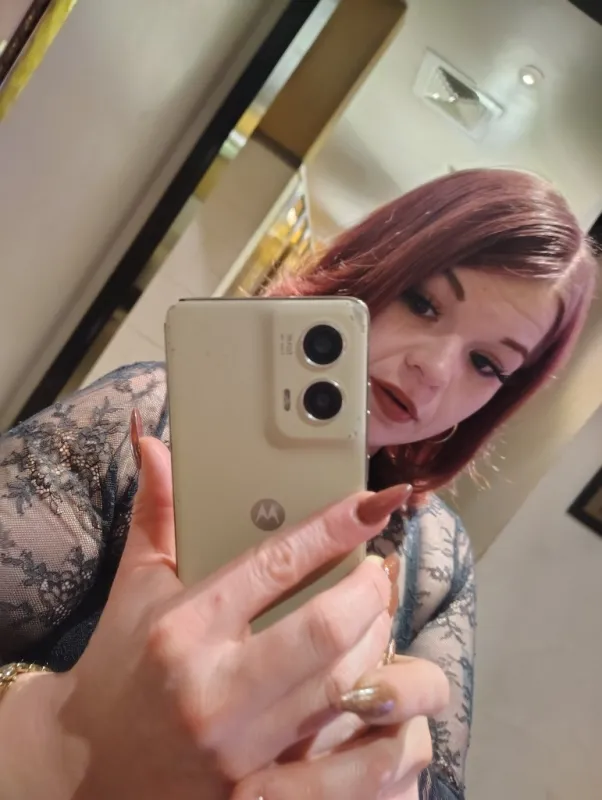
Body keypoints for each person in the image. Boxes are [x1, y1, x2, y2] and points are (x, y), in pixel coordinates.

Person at [0, 168, 597, 799]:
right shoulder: (151, 413)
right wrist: (50, 741)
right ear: (375, 267)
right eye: (423, 303)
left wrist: (388, 779)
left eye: (486, 363)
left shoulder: (436, 559)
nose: (435, 368)